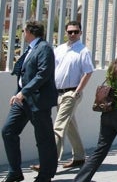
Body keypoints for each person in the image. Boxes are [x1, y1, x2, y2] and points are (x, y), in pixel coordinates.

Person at [74, 38, 117, 182]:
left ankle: (80, 179)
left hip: (107, 111)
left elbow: (113, 85)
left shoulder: (113, 65)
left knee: (101, 149)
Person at [31, 21, 94, 173]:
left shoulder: (83, 51)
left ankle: (48, 162)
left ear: (80, 33)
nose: (73, 34)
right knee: (70, 125)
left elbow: (88, 72)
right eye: (70, 32)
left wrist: (77, 91)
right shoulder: (59, 49)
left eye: (76, 32)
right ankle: (79, 157)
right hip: (57, 92)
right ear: (66, 32)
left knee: (58, 127)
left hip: (71, 93)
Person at [2, 21, 58, 182]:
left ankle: (46, 175)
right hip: (22, 99)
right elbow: (25, 73)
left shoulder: (44, 48)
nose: (22, 33)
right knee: (8, 131)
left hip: (37, 100)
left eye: (23, 30)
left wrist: (23, 93)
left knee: (44, 138)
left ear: (30, 32)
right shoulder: (31, 49)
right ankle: (15, 172)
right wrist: (19, 93)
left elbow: (43, 74)